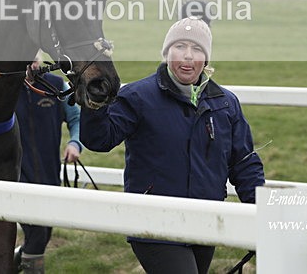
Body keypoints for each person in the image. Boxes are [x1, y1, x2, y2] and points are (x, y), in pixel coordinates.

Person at [80, 16, 265, 274]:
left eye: (197, 49)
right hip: (154, 225)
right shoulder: (137, 97)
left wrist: (263, 216)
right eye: (180, 47)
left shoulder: (225, 103)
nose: (188, 56)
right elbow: (99, 139)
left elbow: (244, 165)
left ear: (206, 58)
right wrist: (93, 103)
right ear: (167, 52)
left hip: (205, 223)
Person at [14, 55, 83, 274]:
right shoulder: (6, 89)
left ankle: (16, 260)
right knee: (37, 233)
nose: (32, 65)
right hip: (16, 175)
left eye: (34, 59)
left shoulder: (56, 85)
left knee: (43, 233)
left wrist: (74, 143)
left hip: (49, 173)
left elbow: (76, 119)